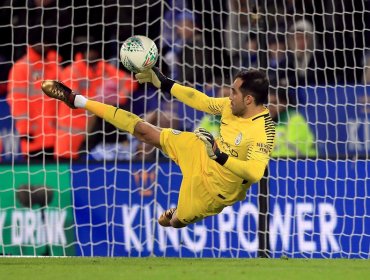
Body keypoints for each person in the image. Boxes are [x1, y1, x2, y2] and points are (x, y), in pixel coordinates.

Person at [41, 67, 275, 228]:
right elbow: (199, 99)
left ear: (248, 100)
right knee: (145, 131)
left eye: (234, 92)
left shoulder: (263, 130)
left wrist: (220, 156)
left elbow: (254, 173)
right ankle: (77, 100)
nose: (228, 95)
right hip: (201, 152)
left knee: (174, 223)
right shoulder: (230, 106)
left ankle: (178, 213)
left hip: (216, 191)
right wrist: (163, 82)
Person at [56, 37, 137, 159]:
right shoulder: (71, 71)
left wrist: (118, 97)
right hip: (70, 137)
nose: (92, 54)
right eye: (89, 51)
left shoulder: (103, 68)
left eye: (94, 51)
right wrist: (101, 100)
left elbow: (130, 82)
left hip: (92, 134)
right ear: (83, 52)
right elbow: (73, 99)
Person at [7, 24, 61, 160]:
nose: (43, 45)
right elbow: (17, 101)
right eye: (39, 41)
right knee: (37, 178)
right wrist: (25, 130)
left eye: (46, 41)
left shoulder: (55, 67)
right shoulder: (21, 68)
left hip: (57, 136)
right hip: (34, 136)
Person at [268, 87, 316, 158]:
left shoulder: (295, 119)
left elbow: (290, 151)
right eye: (266, 102)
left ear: (285, 103)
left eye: (274, 103)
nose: (269, 106)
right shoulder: (266, 122)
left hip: (302, 165)